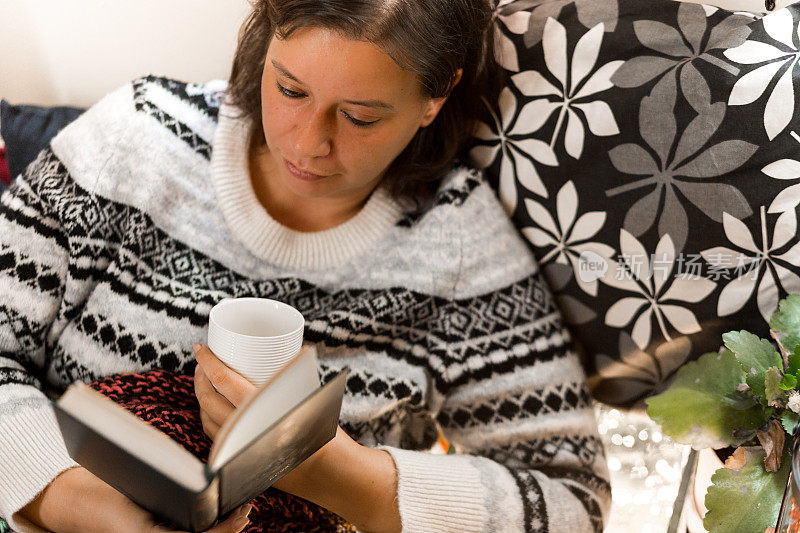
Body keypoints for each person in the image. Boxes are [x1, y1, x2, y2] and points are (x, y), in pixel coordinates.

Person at [0, 0, 610, 531]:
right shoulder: (133, 144)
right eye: (290, 89)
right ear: (265, 40)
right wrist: (66, 501)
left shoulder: (458, 248)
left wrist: (337, 474)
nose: (306, 143)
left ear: (434, 97)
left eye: (360, 117)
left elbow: (572, 503)